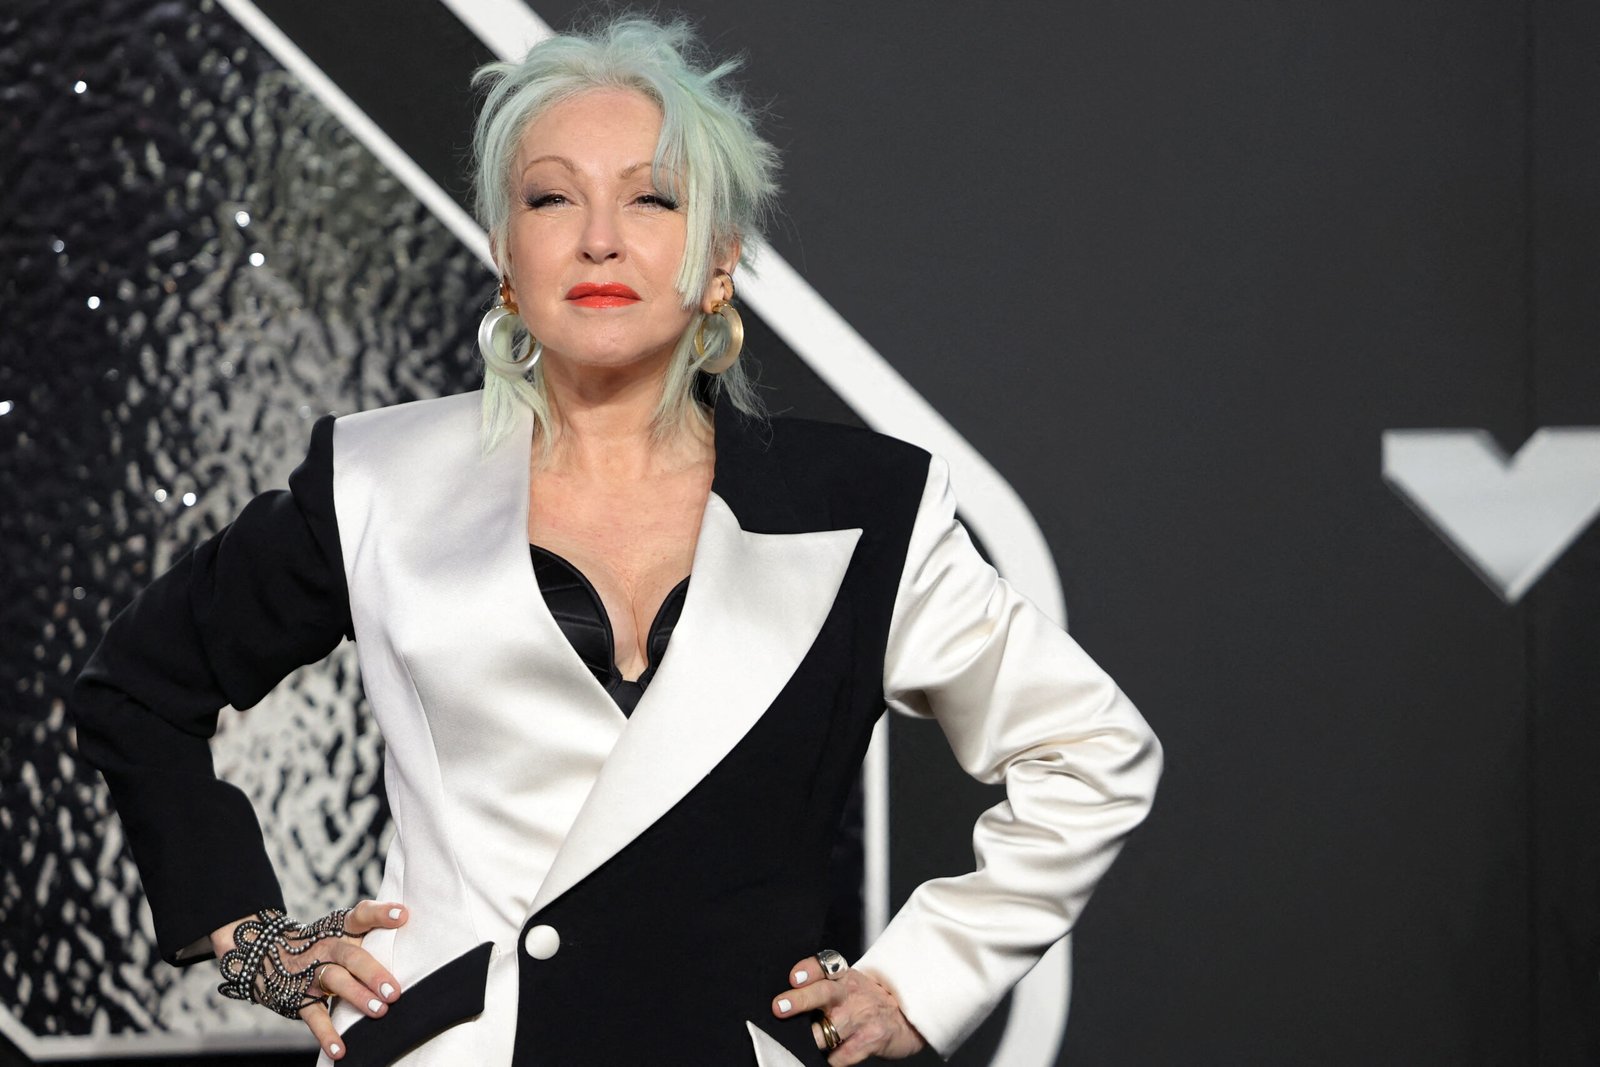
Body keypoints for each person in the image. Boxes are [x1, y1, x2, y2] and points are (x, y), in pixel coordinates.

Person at [71, 15, 1162, 1067]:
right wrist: (252, 939)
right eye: (552, 197)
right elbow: (139, 689)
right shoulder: (377, 479)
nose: (599, 237)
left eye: (652, 197)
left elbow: (1091, 751)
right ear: (505, 252)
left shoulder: (867, 503)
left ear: (719, 256)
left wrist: (923, 980)